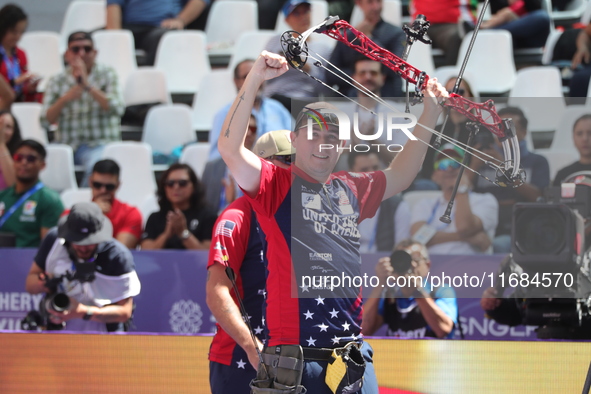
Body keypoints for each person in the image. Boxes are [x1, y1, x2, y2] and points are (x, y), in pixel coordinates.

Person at [217, 50, 447, 393]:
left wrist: (430, 113)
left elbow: (401, 174)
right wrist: (255, 79)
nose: (322, 145)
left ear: (342, 144)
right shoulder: (276, 184)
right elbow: (230, 148)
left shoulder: (351, 187)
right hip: (294, 361)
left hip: (352, 357)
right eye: (313, 135)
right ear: (294, 141)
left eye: (331, 138)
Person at [207, 131, 293, 393]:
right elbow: (216, 291)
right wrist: (253, 348)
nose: (298, 168)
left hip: (293, 358)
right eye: (290, 159)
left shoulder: (303, 216)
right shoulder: (236, 217)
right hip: (241, 359)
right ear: (262, 164)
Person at [24, 201, 141, 332]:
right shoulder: (53, 240)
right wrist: (45, 282)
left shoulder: (118, 256)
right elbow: (30, 284)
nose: (84, 248)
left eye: (90, 242)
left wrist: (82, 311)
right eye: (77, 241)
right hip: (59, 331)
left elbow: (125, 312)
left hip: (105, 336)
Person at [42, 31, 125, 186]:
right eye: (76, 49)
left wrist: (88, 86)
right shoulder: (57, 80)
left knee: (97, 167)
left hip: (99, 144)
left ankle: (85, 207)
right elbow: (44, 121)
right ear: (67, 54)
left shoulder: (108, 74)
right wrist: (64, 99)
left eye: (87, 49)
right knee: (40, 162)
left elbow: (118, 108)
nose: (81, 54)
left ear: (95, 53)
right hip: (66, 144)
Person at [470, 107, 549, 253]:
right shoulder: (482, 161)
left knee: (499, 246)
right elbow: (463, 192)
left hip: (521, 227)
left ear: (524, 133)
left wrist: (504, 165)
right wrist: (473, 165)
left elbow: (539, 197)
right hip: (481, 226)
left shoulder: (537, 161)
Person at [410, 143, 498, 255]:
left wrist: (461, 189)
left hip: (469, 267)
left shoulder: (485, 200)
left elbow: (464, 227)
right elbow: (417, 238)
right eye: (443, 164)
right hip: (431, 268)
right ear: (434, 176)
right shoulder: (424, 203)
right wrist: (465, 238)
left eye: (455, 163)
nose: (450, 168)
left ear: (465, 170)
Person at [363, 240, 457, 338]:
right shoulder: (390, 296)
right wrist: (380, 284)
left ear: (427, 265)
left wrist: (417, 291)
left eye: (415, 259)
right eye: (402, 259)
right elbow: (364, 329)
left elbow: (443, 329)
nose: (409, 265)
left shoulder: (440, 291)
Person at [208, 59, 292, 162]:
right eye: (247, 77)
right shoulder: (225, 114)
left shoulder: (278, 109)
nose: (255, 81)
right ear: (236, 82)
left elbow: (295, 144)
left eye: (259, 75)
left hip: (279, 172)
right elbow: (216, 158)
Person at [326, 0, 406, 98]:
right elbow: (330, 73)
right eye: (370, 2)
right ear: (359, 3)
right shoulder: (347, 36)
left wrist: (368, 39)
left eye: (379, 2)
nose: (375, 7)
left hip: (385, 96)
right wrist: (358, 76)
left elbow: (396, 67)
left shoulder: (396, 34)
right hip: (351, 97)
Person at [263, 0, 333, 111]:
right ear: (287, 20)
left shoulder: (323, 48)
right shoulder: (276, 41)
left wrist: (306, 68)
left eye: (306, 12)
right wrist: (276, 65)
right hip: (273, 99)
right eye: (296, 13)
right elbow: (262, 75)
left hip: (302, 101)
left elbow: (325, 89)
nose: (303, 17)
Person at [106, 0, 211, 66]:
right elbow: (113, 6)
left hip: (159, 27)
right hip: (129, 28)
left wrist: (180, 20)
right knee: (91, 40)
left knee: (163, 38)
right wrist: (117, 37)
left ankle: (147, 87)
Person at [0, 139, 63, 247]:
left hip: (28, 261)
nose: (24, 162)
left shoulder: (49, 199)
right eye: (18, 158)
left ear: (42, 165)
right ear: (13, 162)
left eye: (31, 159)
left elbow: (48, 248)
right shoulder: (2, 196)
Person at [141, 163, 217, 250]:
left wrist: (183, 233)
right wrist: (166, 235)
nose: (176, 187)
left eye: (182, 183)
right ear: (164, 187)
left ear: (194, 186)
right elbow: (146, 252)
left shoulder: (208, 217)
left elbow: (208, 254)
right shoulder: (155, 218)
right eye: (170, 183)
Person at [70, 159, 143, 249]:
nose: (103, 190)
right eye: (97, 185)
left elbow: (119, 252)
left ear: (118, 185)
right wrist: (93, 214)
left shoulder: (131, 214)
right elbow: (71, 247)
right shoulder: (74, 213)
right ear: (90, 182)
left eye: (109, 187)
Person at [348, 150, 410, 252]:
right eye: (364, 170)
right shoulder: (338, 204)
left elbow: (401, 249)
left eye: (375, 168)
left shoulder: (397, 205)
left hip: (385, 264)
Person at [409, 0, 476, 66]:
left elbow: (467, 5)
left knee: (456, 37)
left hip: (448, 25)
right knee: (406, 36)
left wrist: (474, 22)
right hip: (420, 24)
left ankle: (452, 75)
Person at [0, 4, 40, 109]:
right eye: (14, 32)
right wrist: (15, 82)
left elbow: (23, 91)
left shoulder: (21, 54)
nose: (17, 37)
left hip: (18, 104)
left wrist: (29, 89)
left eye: (21, 32)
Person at [481, 0, 550, 49]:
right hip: (510, 38)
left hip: (529, 35)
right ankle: (486, 32)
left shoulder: (525, 4)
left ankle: (486, 32)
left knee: (542, 17)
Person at [553, 114, 591, 186]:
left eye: (590, 133)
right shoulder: (563, 174)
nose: (585, 139)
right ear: (573, 137)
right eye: (579, 133)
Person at [0, 110, 21, 191]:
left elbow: (14, 185)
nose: (2, 130)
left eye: (8, 127)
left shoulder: (21, 156)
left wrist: (1, 144)